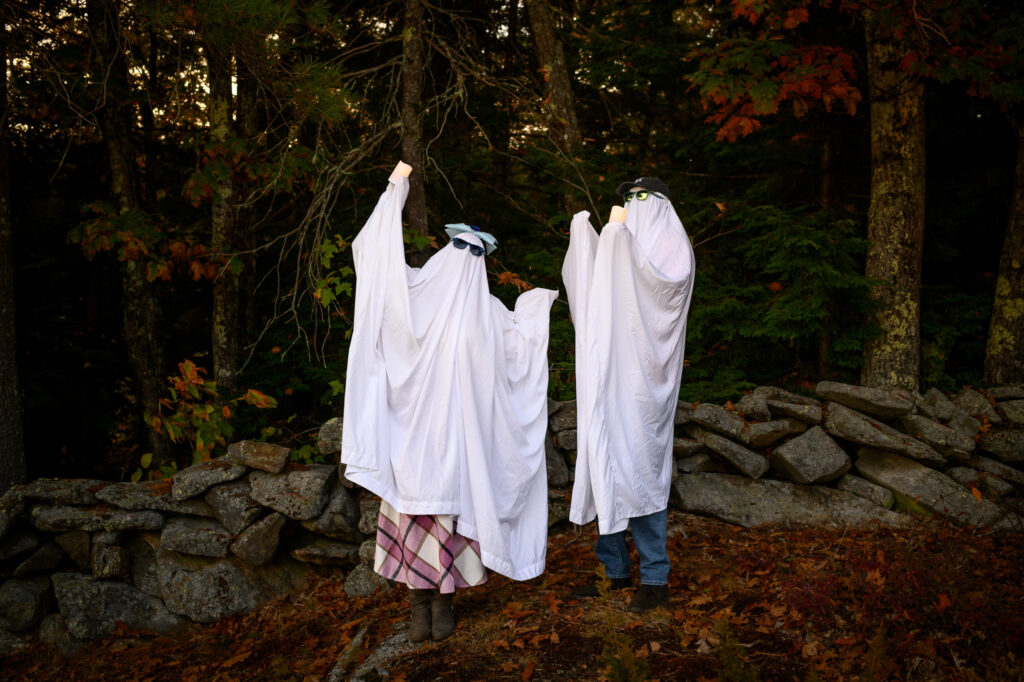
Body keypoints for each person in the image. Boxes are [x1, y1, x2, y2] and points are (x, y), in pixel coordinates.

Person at [341, 162, 558, 641]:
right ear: (446, 250)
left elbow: (517, 354)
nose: (462, 259)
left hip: (455, 446)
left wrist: (533, 310)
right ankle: (421, 605)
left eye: (470, 252)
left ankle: (442, 603)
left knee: (444, 518)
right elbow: (376, 258)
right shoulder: (411, 298)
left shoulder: (488, 314)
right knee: (419, 516)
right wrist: (394, 188)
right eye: (458, 248)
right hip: (412, 445)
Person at [561, 176, 696, 613]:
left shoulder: (673, 247)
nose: (633, 204)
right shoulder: (624, 240)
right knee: (606, 463)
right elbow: (597, 293)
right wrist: (588, 243)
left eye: (642, 197)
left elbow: (661, 290)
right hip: (607, 378)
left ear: (660, 202)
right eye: (627, 198)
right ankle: (613, 572)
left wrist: (619, 245)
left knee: (641, 471)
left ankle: (655, 578)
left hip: (643, 387)